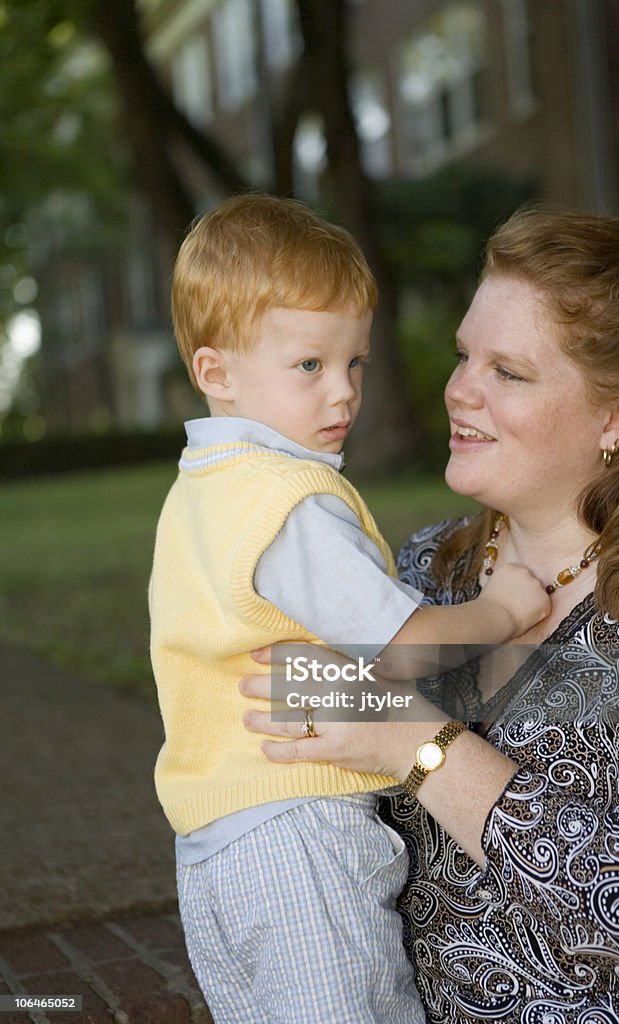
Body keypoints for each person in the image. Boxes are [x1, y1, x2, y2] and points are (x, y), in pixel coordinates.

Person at [241, 206, 619, 1023]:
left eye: (506, 372)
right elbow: (283, 725)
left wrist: (416, 743)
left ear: (618, 418)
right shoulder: (416, 572)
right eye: (461, 355)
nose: (457, 389)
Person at [148, 194, 550, 1024]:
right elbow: (400, 648)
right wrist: (503, 607)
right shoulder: (287, 499)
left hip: (217, 845)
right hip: (300, 832)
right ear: (215, 372)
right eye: (308, 366)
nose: (342, 393)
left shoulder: (203, 491)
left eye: (354, 362)